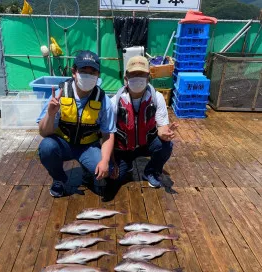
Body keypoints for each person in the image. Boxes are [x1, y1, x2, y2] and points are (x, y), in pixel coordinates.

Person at [37, 50, 116, 198]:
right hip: (63, 143)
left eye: (93, 72)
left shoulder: (103, 99)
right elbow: (43, 132)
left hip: (88, 146)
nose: (88, 75)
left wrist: (105, 160)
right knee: (46, 147)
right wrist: (50, 113)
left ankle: (88, 171)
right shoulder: (60, 95)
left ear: (98, 75)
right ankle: (59, 179)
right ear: (74, 72)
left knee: (108, 171)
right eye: (83, 70)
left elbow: (108, 134)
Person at [105, 55, 178, 198]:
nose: (137, 78)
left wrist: (164, 134)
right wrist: (111, 159)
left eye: (141, 74)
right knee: (113, 179)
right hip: (123, 148)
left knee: (166, 145)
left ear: (148, 77)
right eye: (133, 74)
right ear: (126, 78)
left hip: (146, 143)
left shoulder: (157, 98)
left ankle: (150, 171)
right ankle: (127, 164)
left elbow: (162, 126)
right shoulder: (115, 101)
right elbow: (109, 133)